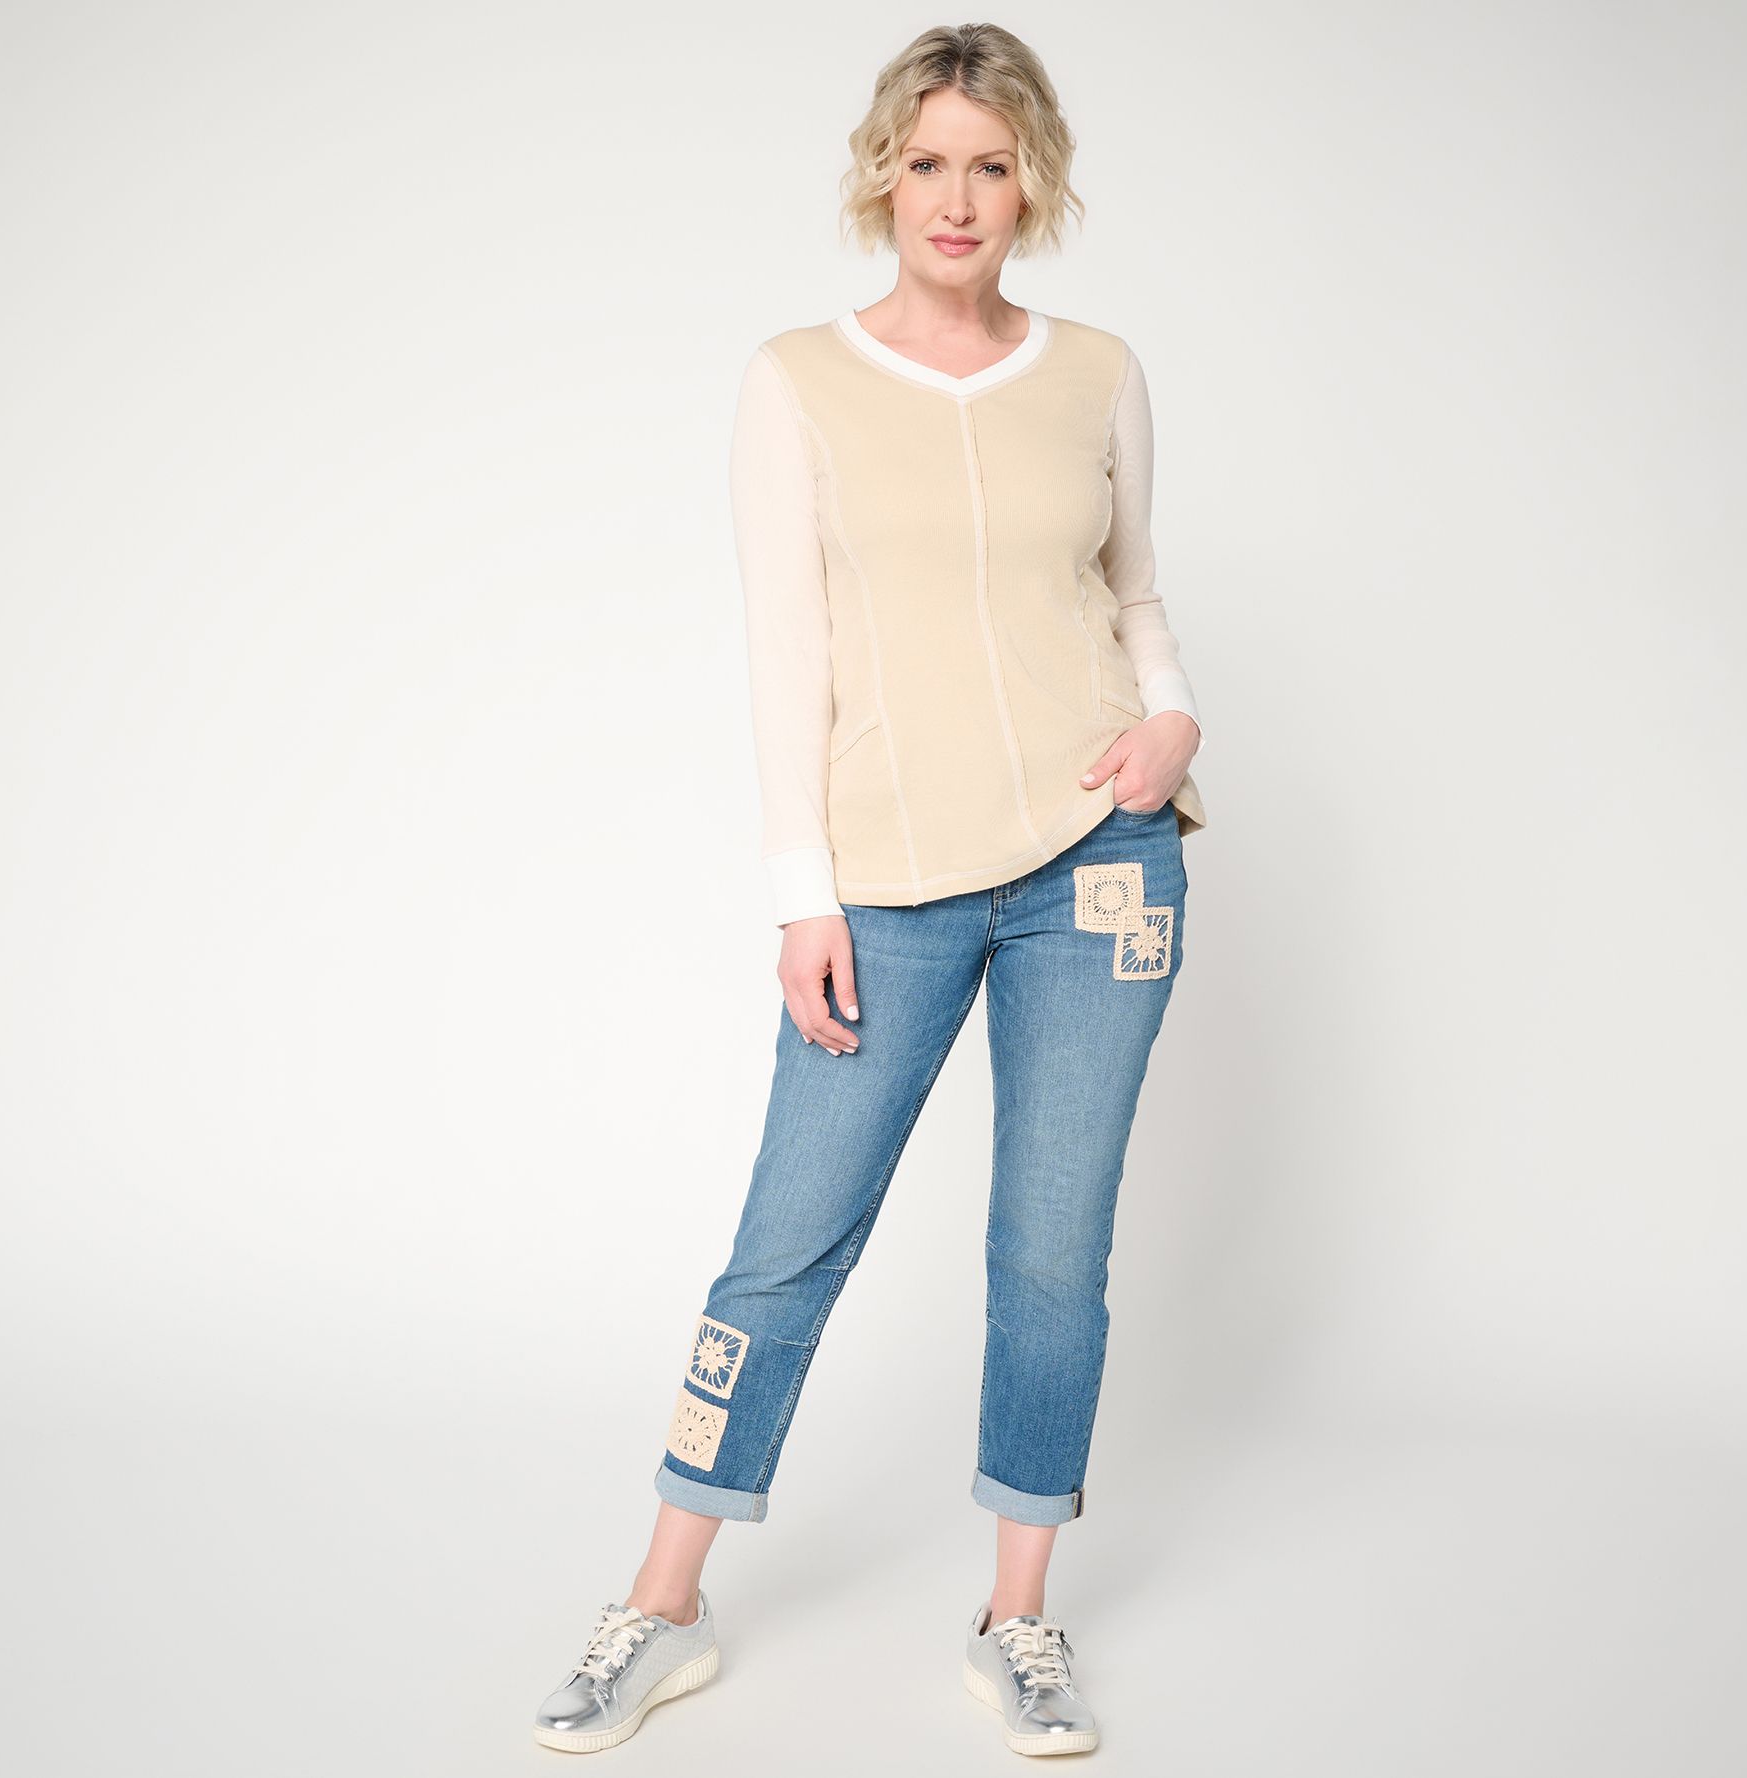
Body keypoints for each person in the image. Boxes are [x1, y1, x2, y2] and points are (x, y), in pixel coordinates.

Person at [533, 22, 1205, 1758]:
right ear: (881, 177)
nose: (956, 198)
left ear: (1033, 182)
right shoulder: (797, 381)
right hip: (888, 883)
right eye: (926, 163)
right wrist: (801, 894)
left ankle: (1018, 1615)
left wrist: (1175, 715)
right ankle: (663, 1601)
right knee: (788, 1240)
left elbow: (1133, 591)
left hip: (1102, 863)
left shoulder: (1100, 371)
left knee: (1053, 1246)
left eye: (991, 164)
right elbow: (788, 650)